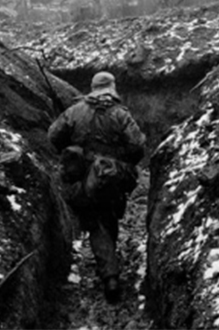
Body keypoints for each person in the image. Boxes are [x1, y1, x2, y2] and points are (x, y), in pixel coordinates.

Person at [47, 71, 145, 303]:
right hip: (113, 177)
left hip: (85, 180)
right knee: (106, 217)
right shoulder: (121, 115)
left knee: (97, 221)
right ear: (112, 88)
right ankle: (110, 274)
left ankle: (109, 269)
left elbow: (53, 136)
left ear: (92, 88)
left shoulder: (75, 111)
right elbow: (137, 147)